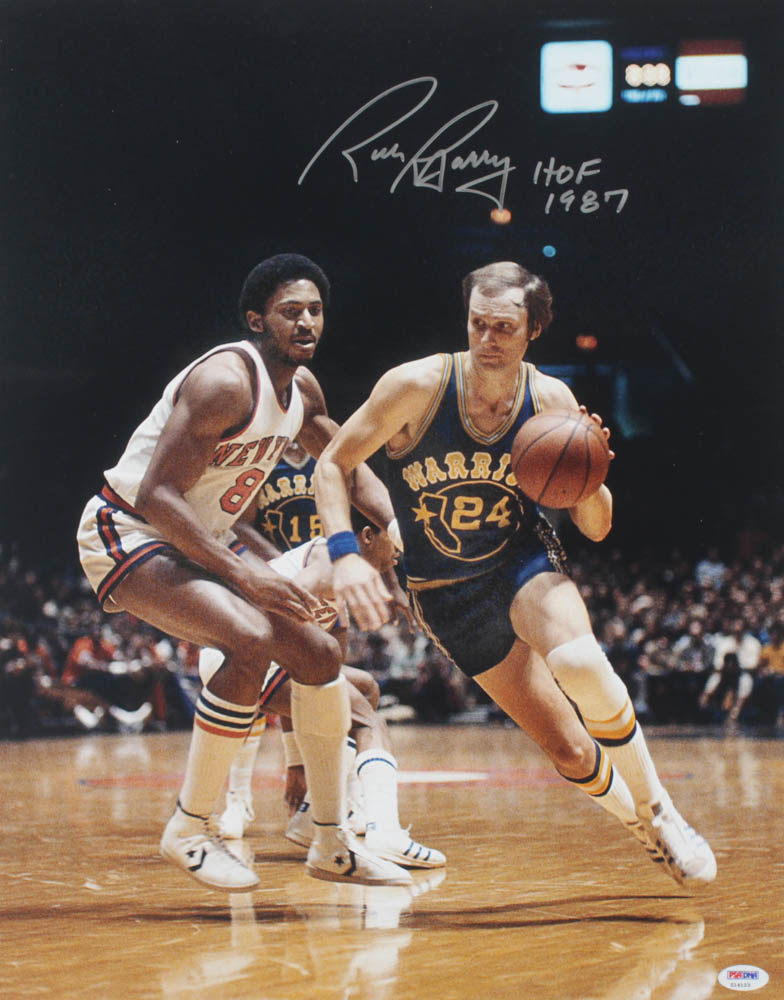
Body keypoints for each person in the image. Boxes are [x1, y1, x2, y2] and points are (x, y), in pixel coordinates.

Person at [313, 260, 717, 888]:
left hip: (519, 563)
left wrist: (590, 473)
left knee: (580, 662)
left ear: (534, 330)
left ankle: (662, 810)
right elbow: (332, 466)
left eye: (503, 327)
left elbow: (596, 527)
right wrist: (343, 553)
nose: (487, 339)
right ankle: (644, 829)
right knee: (570, 751)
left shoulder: (550, 401)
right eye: (478, 323)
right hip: (445, 594)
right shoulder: (416, 386)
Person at [76, 253, 410, 891]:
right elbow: (157, 497)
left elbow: (343, 465)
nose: (306, 322)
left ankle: (331, 841)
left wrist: (398, 529)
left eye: (315, 311)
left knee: (319, 657)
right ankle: (190, 826)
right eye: (291, 311)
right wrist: (247, 573)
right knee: (249, 637)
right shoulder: (225, 383)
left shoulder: (303, 391)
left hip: (198, 538)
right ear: (257, 321)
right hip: (129, 529)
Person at [199, 512, 445, 870]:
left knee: (365, 690)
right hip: (246, 652)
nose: (397, 551)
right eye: (390, 539)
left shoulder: (344, 580)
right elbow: (273, 612)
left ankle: (313, 813)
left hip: (262, 653)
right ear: (366, 536)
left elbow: (318, 683)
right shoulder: (327, 561)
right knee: (369, 722)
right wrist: (296, 761)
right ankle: (385, 831)